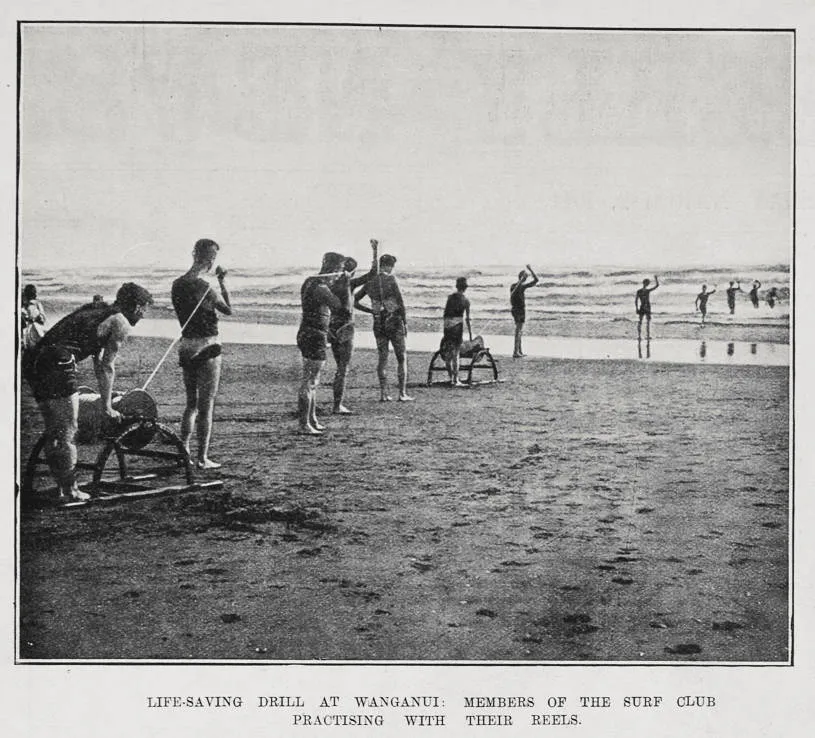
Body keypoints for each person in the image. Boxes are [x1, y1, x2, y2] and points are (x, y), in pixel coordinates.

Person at [22, 282, 153, 501]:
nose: (143, 315)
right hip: (58, 362)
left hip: (34, 361)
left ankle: (64, 487)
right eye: (144, 310)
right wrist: (107, 407)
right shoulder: (120, 322)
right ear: (138, 307)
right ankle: (71, 490)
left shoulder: (97, 310)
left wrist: (105, 401)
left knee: (55, 431)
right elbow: (107, 366)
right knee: (68, 430)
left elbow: (97, 359)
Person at [171, 238, 232, 469]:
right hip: (207, 344)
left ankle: (184, 451)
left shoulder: (177, 284)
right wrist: (222, 282)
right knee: (206, 405)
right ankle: (202, 457)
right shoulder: (205, 287)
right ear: (211, 259)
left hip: (186, 344)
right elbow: (228, 310)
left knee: (191, 403)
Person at [354, 245, 414, 402]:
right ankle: (402, 393)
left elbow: (354, 301)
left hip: (378, 321)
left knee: (383, 358)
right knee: (402, 357)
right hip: (393, 320)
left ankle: (383, 393)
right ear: (389, 266)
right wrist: (405, 322)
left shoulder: (370, 282)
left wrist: (370, 311)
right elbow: (400, 302)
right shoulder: (391, 279)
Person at [297, 252, 344, 434]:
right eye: (339, 270)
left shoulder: (310, 282)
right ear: (332, 269)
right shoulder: (320, 286)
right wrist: (342, 284)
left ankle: (312, 419)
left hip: (309, 332)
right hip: (314, 334)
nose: (339, 274)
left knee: (313, 381)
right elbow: (338, 304)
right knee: (309, 381)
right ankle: (304, 424)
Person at [327, 247, 376, 414]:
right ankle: (337, 405)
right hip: (346, 327)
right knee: (343, 368)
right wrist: (375, 251)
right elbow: (373, 273)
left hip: (332, 326)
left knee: (339, 367)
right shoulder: (350, 283)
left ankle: (337, 403)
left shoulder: (332, 283)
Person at [440, 277, 472, 386]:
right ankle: (456, 379)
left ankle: (450, 378)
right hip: (457, 327)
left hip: (447, 326)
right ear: (465, 288)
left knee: (449, 353)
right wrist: (471, 334)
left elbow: (445, 313)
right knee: (456, 353)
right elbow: (467, 319)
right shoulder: (466, 300)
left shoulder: (450, 297)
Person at [509, 265, 539, 358]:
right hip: (518, 310)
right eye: (525, 276)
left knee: (519, 330)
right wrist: (530, 269)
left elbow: (535, 281)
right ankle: (515, 351)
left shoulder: (517, 286)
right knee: (518, 330)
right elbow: (536, 280)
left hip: (517, 310)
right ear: (522, 277)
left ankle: (519, 351)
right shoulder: (517, 286)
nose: (526, 278)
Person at [21, 284, 47, 353]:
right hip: (30, 328)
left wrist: (37, 318)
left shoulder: (36, 304)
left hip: (34, 327)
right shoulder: (24, 305)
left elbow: (43, 318)